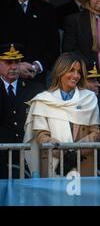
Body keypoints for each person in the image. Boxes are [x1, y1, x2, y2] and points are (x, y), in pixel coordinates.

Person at [23, 53, 100, 177]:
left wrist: (76, 153)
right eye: (71, 70)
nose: (76, 75)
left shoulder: (89, 98)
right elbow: (41, 135)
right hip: (52, 164)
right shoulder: (43, 100)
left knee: (84, 196)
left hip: (83, 163)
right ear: (60, 71)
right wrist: (63, 153)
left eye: (79, 72)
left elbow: (96, 132)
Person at [0, 0, 59, 82]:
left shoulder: (47, 10)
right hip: (4, 82)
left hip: (36, 80)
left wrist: (37, 66)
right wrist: (15, 67)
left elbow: (54, 48)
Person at [0, 43, 44, 178]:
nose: (13, 67)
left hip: (28, 159)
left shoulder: (36, 90)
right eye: (8, 62)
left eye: (17, 62)